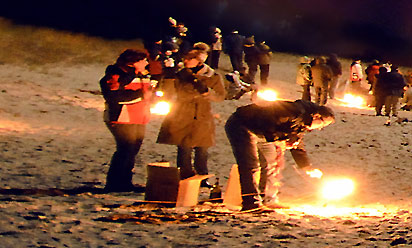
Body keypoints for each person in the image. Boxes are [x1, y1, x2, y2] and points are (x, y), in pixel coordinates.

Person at [225, 99, 335, 211]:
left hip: (262, 133)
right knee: (251, 165)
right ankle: (251, 203)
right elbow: (268, 122)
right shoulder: (293, 112)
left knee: (271, 164)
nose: (319, 128)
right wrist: (282, 138)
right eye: (322, 125)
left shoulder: (304, 122)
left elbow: (296, 143)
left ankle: (267, 198)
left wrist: (306, 167)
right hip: (242, 125)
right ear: (317, 116)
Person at [157, 44, 220, 185]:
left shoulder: (212, 75)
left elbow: (221, 95)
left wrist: (208, 93)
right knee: (184, 146)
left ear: (199, 61)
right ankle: (185, 176)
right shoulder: (180, 75)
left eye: (190, 59)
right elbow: (171, 92)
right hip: (183, 113)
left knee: (202, 148)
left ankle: (202, 177)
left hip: (203, 115)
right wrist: (169, 76)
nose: (186, 62)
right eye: (186, 59)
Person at [100, 48, 152, 192]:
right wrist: (140, 95)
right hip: (121, 117)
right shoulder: (116, 74)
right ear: (133, 62)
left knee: (132, 150)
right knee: (125, 150)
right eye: (143, 60)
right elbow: (114, 96)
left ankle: (125, 182)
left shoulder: (141, 75)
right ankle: (114, 183)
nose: (146, 63)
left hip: (139, 117)